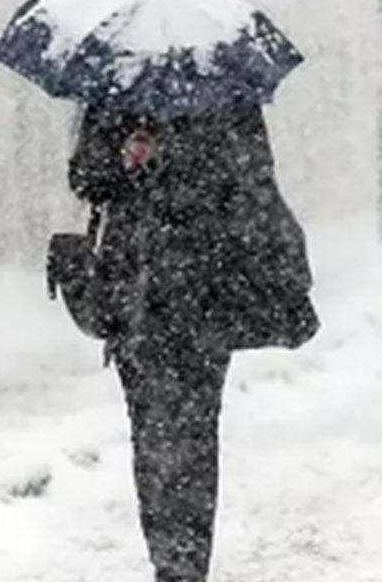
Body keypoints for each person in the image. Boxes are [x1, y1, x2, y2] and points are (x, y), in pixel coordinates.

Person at [68, 99, 316, 582]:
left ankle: (185, 565)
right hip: (134, 297)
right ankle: (169, 559)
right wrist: (122, 159)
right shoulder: (112, 98)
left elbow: (252, 183)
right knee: (150, 436)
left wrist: (179, 162)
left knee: (195, 436)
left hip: (205, 296)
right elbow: (85, 179)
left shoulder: (229, 100)